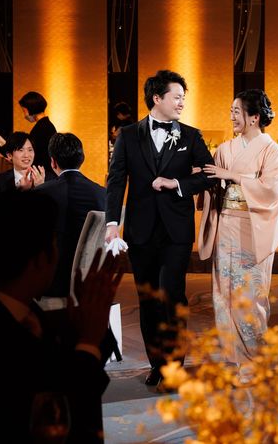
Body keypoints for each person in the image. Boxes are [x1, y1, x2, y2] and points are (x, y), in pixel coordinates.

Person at [0, 189, 123, 443]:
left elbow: (63, 368)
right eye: (54, 245)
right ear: (40, 259)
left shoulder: (22, 312)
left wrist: (83, 323)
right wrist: (89, 341)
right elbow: (64, 410)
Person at [105, 70, 213, 389]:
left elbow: (208, 174)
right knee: (148, 298)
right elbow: (116, 180)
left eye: (183, 98)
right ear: (157, 98)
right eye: (176, 97)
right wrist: (112, 223)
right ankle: (157, 364)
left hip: (176, 232)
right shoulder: (128, 135)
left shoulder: (191, 136)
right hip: (140, 232)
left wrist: (176, 183)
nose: (181, 103)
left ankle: (175, 365)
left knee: (172, 294)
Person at [197, 89, 278, 368]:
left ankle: (253, 361)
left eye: (237, 111)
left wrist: (233, 176)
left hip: (253, 226)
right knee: (223, 292)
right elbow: (210, 184)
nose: (232, 116)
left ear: (254, 117)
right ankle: (230, 357)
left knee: (250, 294)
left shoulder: (272, 151)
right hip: (226, 224)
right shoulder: (225, 149)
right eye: (231, 111)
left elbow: (271, 190)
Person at [37, 132, 107, 299]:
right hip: (92, 279)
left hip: (52, 282)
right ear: (82, 159)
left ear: (53, 162)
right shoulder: (103, 194)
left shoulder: (41, 194)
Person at [0, 131, 45, 200]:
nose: (26, 155)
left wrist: (41, 188)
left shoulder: (47, 178)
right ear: (9, 155)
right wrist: (22, 192)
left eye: (30, 150)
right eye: (21, 150)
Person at [19, 90, 57, 179]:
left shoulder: (41, 128)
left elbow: (37, 156)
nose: (24, 115)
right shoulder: (47, 125)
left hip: (43, 176)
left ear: (31, 109)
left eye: (24, 111)